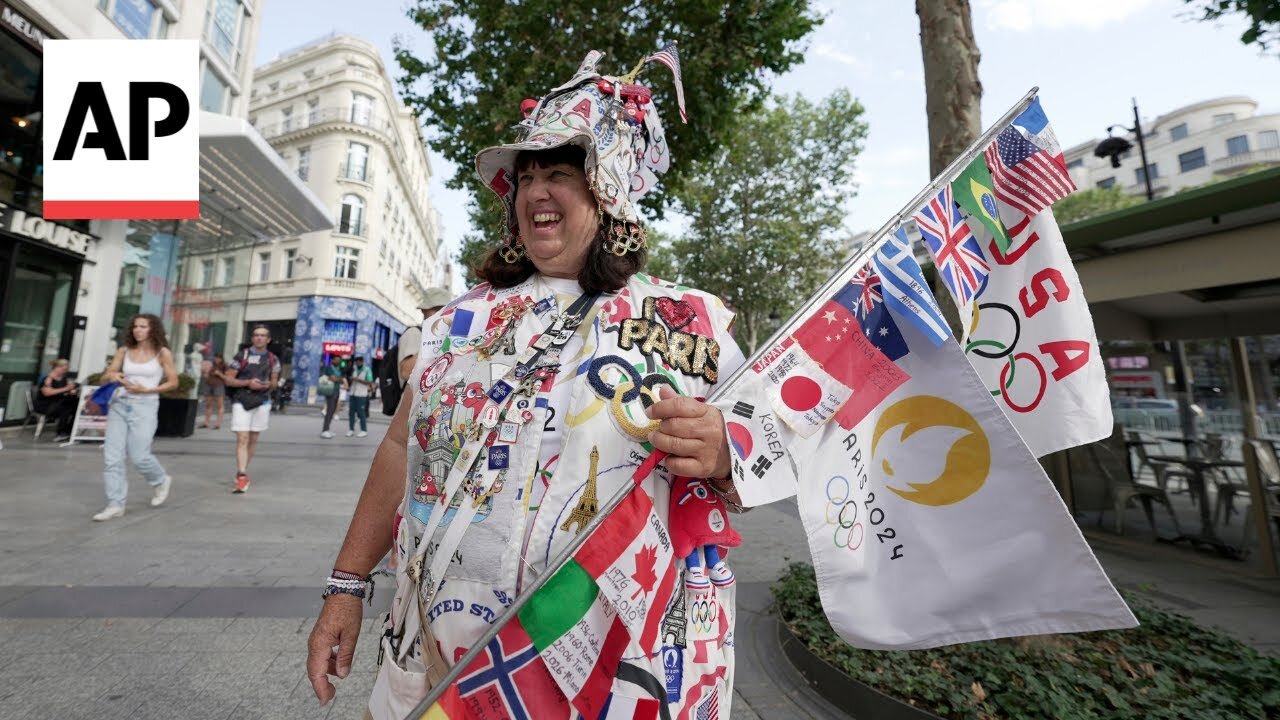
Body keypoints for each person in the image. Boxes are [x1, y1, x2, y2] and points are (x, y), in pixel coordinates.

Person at [306, 50, 750, 718]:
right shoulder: (455, 323)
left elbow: (765, 456)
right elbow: (401, 449)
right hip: (448, 654)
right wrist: (346, 583)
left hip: (612, 665)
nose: (536, 191)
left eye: (561, 174)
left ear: (609, 190)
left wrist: (724, 453)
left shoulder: (691, 322)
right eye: (527, 177)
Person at [92, 314, 178, 521]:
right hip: (120, 404)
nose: (137, 330)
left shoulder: (162, 353)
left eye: (143, 327)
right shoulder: (124, 351)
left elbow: (173, 382)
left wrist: (148, 389)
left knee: (139, 455)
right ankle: (115, 504)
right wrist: (112, 375)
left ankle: (160, 480)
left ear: (152, 329)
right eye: (135, 327)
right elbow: (107, 374)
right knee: (112, 457)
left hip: (145, 406)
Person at [224, 325, 280, 494]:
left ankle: (243, 471)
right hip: (241, 400)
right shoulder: (242, 355)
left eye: (263, 335)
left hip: (262, 402)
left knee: (253, 439)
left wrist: (268, 384)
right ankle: (242, 475)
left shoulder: (273, 359)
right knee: (242, 437)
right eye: (256, 335)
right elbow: (228, 379)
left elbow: (274, 382)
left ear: (268, 339)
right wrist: (247, 383)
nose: (259, 338)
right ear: (252, 338)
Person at [397, 287, 453, 385]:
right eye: (437, 309)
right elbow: (406, 372)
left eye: (447, 310)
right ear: (424, 310)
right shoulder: (414, 333)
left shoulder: (446, 335)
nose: (442, 313)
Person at [34, 358, 79, 441]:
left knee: (76, 406)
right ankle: (61, 432)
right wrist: (66, 389)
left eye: (66, 369)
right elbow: (47, 392)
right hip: (46, 405)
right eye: (64, 369)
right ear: (57, 367)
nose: (65, 371)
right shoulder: (48, 378)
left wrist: (71, 391)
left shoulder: (63, 378)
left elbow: (64, 391)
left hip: (57, 403)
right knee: (66, 407)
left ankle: (68, 431)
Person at [319, 356, 347, 439]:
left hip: (337, 391)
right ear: (332, 360)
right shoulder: (329, 368)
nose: (338, 361)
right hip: (330, 391)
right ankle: (324, 430)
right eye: (336, 360)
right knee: (330, 410)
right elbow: (333, 379)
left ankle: (327, 429)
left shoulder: (338, 369)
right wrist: (339, 379)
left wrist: (338, 379)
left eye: (339, 360)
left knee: (333, 410)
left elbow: (339, 379)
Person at [346, 356, 373, 438]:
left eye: (358, 362)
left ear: (362, 362)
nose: (357, 363)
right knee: (351, 413)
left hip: (361, 395)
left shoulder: (367, 370)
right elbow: (351, 380)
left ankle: (363, 430)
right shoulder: (354, 369)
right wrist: (350, 380)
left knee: (361, 413)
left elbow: (369, 382)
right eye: (356, 362)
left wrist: (357, 379)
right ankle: (351, 429)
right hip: (353, 393)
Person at [200, 356, 228, 429]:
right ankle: (206, 423)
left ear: (222, 359)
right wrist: (205, 373)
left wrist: (219, 374)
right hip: (209, 385)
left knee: (220, 405)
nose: (216, 359)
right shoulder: (210, 365)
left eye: (218, 358)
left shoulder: (224, 366)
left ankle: (218, 424)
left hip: (219, 386)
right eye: (215, 358)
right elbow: (205, 375)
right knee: (208, 404)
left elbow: (227, 378)